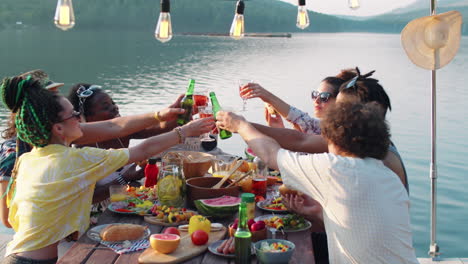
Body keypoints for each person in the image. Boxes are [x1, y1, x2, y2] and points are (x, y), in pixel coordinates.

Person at [0, 74, 214, 263]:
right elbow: (144, 150)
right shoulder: (75, 158)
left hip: (18, 254)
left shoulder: (28, 158)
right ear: (58, 128)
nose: (79, 119)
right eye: (74, 115)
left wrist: (161, 114)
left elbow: (114, 126)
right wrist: (183, 132)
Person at [216, 99, 419, 264]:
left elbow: (270, 154)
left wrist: (240, 125)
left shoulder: (336, 168)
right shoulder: (388, 177)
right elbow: (366, 225)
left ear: (333, 140)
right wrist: (319, 214)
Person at [0, 71, 186, 229]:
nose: (60, 98)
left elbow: (115, 126)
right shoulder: (14, 154)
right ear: (36, 105)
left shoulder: (61, 134)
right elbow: (9, 220)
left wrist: (164, 115)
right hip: (54, 236)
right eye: (53, 95)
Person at [67, 83, 183, 221]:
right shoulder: (81, 150)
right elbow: (88, 198)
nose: (114, 107)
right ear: (86, 118)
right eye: (106, 107)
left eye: (113, 103)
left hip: (133, 203)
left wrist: (179, 114)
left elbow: (159, 127)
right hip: (100, 216)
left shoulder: (122, 131)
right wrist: (125, 178)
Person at [239, 71, 352, 134]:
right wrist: (279, 129)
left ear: (340, 101)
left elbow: (300, 120)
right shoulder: (321, 127)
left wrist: (266, 95)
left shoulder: (340, 133)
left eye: (324, 97)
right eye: (315, 95)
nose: (316, 101)